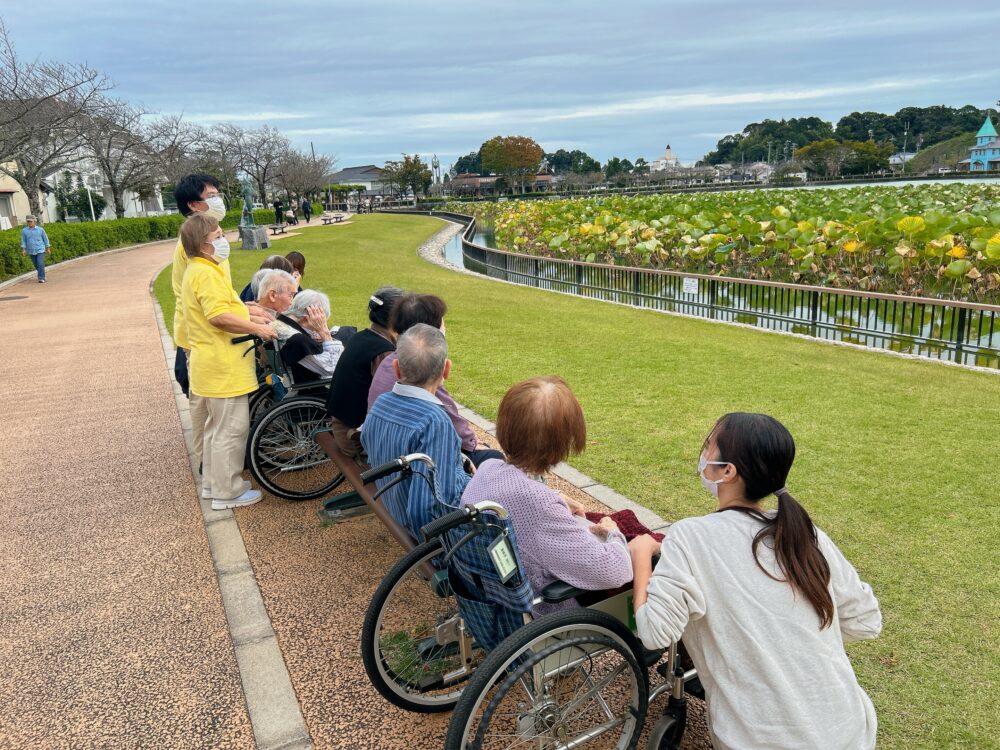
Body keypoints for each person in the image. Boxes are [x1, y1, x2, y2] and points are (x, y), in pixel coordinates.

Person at [630, 413, 882, 750]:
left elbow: (654, 632)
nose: (703, 452)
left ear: (727, 471)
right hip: (849, 731)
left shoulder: (690, 537)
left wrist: (641, 555)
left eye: (708, 445)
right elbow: (865, 620)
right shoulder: (804, 534)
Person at [461, 376, 632, 613]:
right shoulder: (539, 504)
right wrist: (614, 533)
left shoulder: (487, 469)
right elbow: (615, 572)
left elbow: (522, 503)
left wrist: (556, 497)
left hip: (492, 602)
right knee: (643, 546)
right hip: (546, 619)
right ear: (562, 442)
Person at [179, 213, 277, 510]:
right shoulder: (205, 273)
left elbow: (226, 307)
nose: (224, 240)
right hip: (221, 366)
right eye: (218, 236)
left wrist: (249, 310)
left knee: (215, 430)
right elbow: (218, 316)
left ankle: (215, 484)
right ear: (204, 244)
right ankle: (227, 491)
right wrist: (258, 327)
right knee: (230, 430)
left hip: (211, 365)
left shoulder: (202, 269)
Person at [368, 293, 502, 467]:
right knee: (494, 460)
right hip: (409, 465)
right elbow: (438, 486)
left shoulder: (389, 363)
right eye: (441, 322)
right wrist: (471, 449)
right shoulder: (425, 382)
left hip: (385, 459)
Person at [362, 324, 471, 538]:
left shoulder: (381, 403)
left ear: (396, 369)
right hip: (423, 534)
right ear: (446, 370)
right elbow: (432, 506)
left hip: (392, 503)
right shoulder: (434, 421)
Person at [324, 286, 404, 461]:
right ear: (397, 318)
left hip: (341, 426)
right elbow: (394, 404)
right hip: (354, 440)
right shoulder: (384, 353)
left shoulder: (361, 337)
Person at [171, 174, 233, 399]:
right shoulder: (196, 246)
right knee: (210, 410)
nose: (218, 201)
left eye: (218, 195)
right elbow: (209, 302)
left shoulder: (210, 239)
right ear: (193, 204)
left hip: (203, 333)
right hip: (200, 336)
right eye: (211, 196)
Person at [273, 289, 346, 383]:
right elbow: (333, 368)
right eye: (321, 320)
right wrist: (324, 332)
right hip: (314, 389)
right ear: (309, 317)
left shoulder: (280, 323)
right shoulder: (297, 340)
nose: (323, 323)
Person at [19, 214, 51, 283]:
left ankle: (41, 278)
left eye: (30, 221)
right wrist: (23, 249)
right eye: (28, 221)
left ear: (34, 221)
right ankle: (42, 274)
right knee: (36, 265)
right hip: (31, 250)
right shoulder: (24, 231)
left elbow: (45, 239)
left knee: (40, 263)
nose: (29, 223)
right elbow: (23, 240)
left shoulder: (40, 229)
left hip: (40, 249)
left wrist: (48, 248)